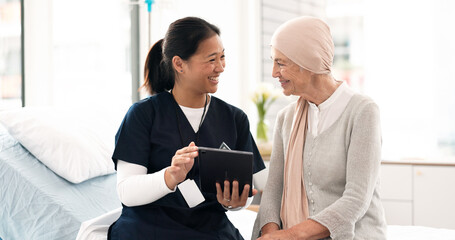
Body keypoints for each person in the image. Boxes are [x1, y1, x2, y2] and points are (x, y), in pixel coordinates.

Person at [108, 17, 265, 240]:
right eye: (211, 59)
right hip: (150, 227)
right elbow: (126, 192)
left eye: (222, 57)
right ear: (179, 64)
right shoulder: (143, 115)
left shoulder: (234, 118)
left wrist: (238, 203)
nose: (220, 67)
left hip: (210, 229)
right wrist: (169, 177)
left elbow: (247, 190)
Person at [252, 16, 387, 240]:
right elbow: (273, 192)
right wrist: (271, 234)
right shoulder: (286, 118)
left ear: (309, 63)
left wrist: (292, 235)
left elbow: (356, 199)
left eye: (281, 63)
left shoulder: (362, 111)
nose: (274, 72)